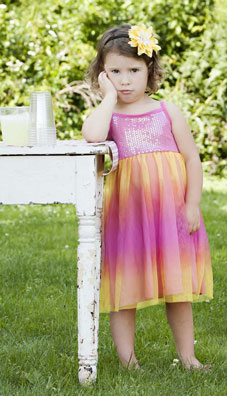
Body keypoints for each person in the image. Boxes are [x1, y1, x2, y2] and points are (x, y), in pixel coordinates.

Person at [82, 24, 213, 371]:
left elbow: (191, 159)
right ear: (102, 76)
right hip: (129, 218)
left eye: (134, 70)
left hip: (170, 215)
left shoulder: (167, 111)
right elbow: (91, 136)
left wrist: (193, 203)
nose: (125, 80)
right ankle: (128, 363)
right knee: (123, 292)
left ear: (150, 71)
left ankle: (188, 358)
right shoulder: (109, 117)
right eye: (115, 72)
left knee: (178, 289)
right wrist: (107, 99)